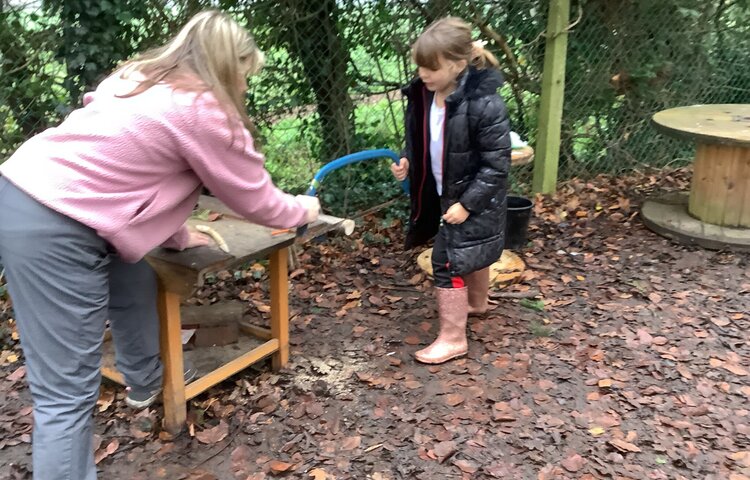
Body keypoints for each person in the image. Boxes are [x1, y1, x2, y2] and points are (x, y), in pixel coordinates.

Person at [0, 10, 320, 480]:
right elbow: (254, 198)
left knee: (135, 273)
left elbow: (130, 163)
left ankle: (144, 381)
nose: (245, 88)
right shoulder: (205, 108)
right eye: (245, 75)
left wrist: (173, 231)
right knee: (65, 396)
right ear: (229, 66)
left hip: (31, 193)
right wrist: (301, 210)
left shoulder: (137, 77)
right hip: (55, 223)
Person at [390, 17, 510, 365]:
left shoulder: (484, 104)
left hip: (476, 199)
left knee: (447, 260)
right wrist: (408, 161)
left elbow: (496, 165)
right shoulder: (425, 95)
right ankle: (477, 303)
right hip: (444, 194)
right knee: (468, 252)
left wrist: (468, 205)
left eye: (431, 68)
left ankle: (454, 338)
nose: (423, 74)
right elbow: (423, 139)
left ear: (458, 65)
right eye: (420, 67)